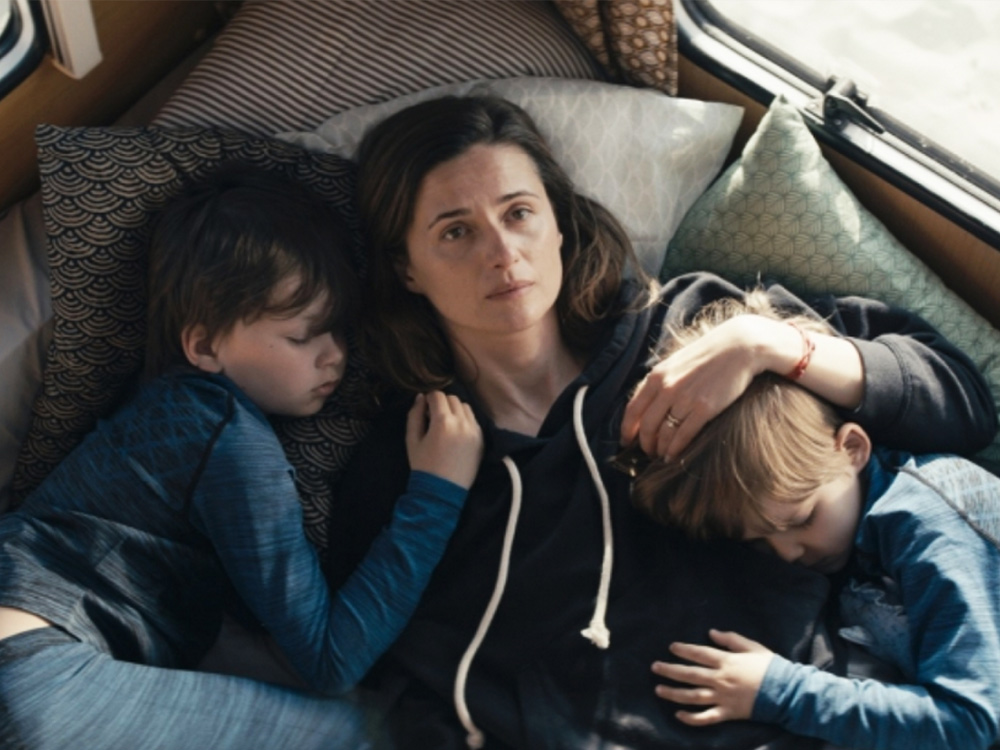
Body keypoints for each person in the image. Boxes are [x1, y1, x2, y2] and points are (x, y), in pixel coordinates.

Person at [328, 94, 998, 750]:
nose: (503, 253)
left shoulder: (693, 328)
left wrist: (768, 345)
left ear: (559, 222)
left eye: (519, 213)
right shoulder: (411, 464)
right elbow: (387, 668)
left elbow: (965, 404)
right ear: (405, 269)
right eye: (456, 231)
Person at [0, 163, 483, 750]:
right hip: (37, 671)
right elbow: (330, 659)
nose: (335, 357)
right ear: (204, 345)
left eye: (340, 331)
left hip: (32, 650)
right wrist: (438, 490)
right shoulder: (225, 432)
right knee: (395, 734)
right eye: (304, 336)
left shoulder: (164, 412)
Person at [639, 291, 1000, 750]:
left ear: (851, 448)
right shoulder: (854, 521)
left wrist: (779, 691)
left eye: (802, 518)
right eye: (760, 540)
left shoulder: (931, 523)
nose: (789, 554)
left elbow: (970, 722)